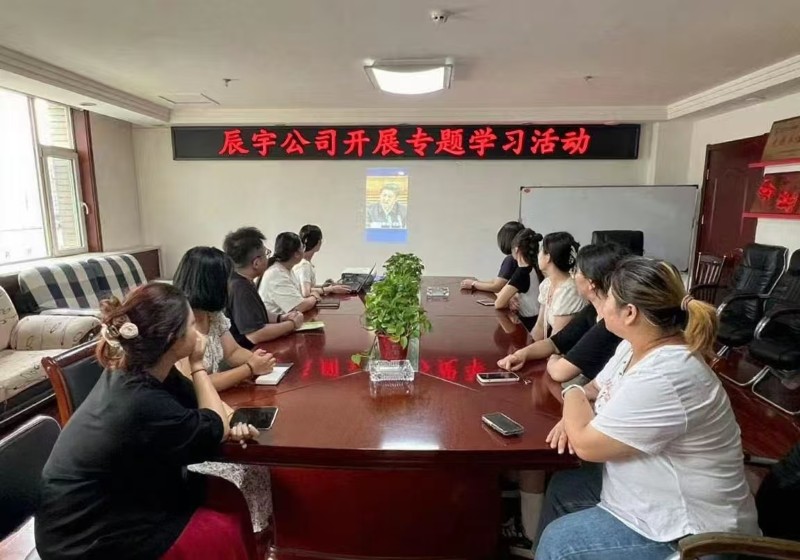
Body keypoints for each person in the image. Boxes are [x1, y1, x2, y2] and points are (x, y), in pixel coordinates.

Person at [535, 257, 759, 559]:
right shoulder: (632, 347)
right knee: (565, 489)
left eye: (608, 298)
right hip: (649, 495)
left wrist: (571, 393)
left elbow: (586, 443)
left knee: (561, 543)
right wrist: (577, 412)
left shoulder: (668, 373)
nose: (602, 304)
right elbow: (596, 389)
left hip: (693, 533)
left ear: (630, 312)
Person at [35, 283, 260, 560]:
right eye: (192, 325)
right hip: (88, 537)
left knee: (226, 493)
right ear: (172, 339)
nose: (199, 334)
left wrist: (227, 422)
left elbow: (204, 408)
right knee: (221, 527)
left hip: (125, 495)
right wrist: (198, 365)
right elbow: (214, 423)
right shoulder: (140, 402)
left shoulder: (142, 368)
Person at [172, 246, 277, 533]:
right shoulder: (179, 324)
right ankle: (244, 532)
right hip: (195, 413)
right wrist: (249, 370)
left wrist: (256, 360)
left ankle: (258, 531)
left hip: (222, 401)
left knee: (259, 454)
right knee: (251, 461)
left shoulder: (213, 314)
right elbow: (193, 383)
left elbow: (232, 352)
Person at [498, 243, 628, 383]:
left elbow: (560, 372)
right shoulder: (592, 311)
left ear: (591, 283)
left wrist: (555, 356)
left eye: (576, 271)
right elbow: (554, 343)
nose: (573, 276)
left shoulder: (610, 323)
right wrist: (520, 355)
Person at [223, 227, 304, 350]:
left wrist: (280, 318)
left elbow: (256, 314)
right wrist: (292, 324)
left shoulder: (242, 280)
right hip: (249, 352)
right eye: (266, 254)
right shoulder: (240, 288)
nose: (268, 258)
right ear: (256, 263)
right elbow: (255, 334)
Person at [531, 231, 585, 340]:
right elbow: (540, 326)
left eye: (541, 250)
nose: (538, 254)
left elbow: (556, 341)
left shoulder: (570, 291)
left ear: (548, 257)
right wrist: (527, 346)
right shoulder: (547, 284)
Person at [493, 228, 542, 331]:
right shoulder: (533, 267)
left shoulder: (522, 272)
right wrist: (509, 297)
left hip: (528, 325)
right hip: (535, 319)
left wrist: (507, 297)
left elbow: (498, 303)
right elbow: (503, 291)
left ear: (516, 249)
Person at [258, 232, 319, 314]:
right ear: (296, 254)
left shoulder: (286, 269)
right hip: (276, 321)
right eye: (303, 247)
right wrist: (314, 297)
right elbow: (299, 307)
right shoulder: (276, 274)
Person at [461, 221, 526, 293]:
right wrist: (477, 282)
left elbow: (497, 287)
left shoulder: (511, 259)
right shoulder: (525, 257)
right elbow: (498, 281)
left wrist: (473, 284)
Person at [294, 224, 351, 298]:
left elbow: (306, 286)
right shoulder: (304, 265)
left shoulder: (300, 261)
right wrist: (331, 289)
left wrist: (325, 286)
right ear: (318, 242)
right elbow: (306, 292)